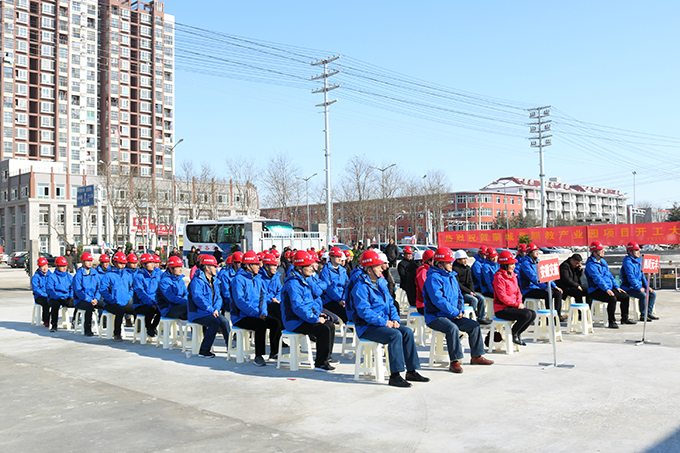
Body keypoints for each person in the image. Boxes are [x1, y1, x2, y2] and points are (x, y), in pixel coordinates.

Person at [352, 250, 429, 388]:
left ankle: (411, 371)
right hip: (367, 327)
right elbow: (364, 312)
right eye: (377, 266)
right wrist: (385, 322)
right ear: (369, 270)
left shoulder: (381, 282)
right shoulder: (360, 286)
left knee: (407, 332)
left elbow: (391, 304)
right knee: (395, 335)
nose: (381, 268)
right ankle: (395, 375)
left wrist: (395, 320)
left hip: (384, 323)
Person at [423, 247, 493, 373]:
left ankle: (476, 356)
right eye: (448, 262)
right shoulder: (433, 278)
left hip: (452, 314)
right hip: (435, 316)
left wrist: (459, 310)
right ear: (440, 264)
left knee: (474, 325)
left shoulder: (452, 276)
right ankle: (454, 361)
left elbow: (459, 295)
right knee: (452, 328)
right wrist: (454, 312)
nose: (451, 264)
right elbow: (439, 300)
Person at [281, 250, 336, 371]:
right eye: (309, 266)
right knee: (324, 329)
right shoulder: (293, 284)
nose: (312, 269)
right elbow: (298, 307)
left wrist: (317, 314)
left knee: (330, 325)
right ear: (300, 268)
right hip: (294, 321)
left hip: (302, 318)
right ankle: (320, 363)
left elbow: (310, 303)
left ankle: (326, 358)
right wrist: (315, 318)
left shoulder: (304, 281)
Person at [231, 250, 282, 365]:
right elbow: (240, 301)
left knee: (275, 323)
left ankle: (274, 352)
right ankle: (259, 356)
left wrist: (263, 312)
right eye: (256, 264)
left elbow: (262, 297)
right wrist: (256, 314)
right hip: (241, 316)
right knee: (261, 325)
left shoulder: (257, 279)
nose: (259, 266)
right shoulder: (238, 280)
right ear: (248, 266)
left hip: (257, 314)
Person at [585, 241, 635, 329]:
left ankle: (624, 318)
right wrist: (607, 289)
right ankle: (611, 321)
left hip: (608, 288)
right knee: (612, 298)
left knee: (625, 296)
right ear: (594, 252)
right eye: (600, 250)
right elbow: (598, 279)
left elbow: (610, 275)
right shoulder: (591, 265)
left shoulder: (603, 261)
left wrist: (616, 287)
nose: (603, 252)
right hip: (596, 290)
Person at [188, 255, 230, 358]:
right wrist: (211, 309)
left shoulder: (215, 280)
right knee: (214, 322)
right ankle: (204, 349)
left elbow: (219, 297)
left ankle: (230, 347)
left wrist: (216, 308)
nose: (216, 269)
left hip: (211, 311)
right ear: (207, 267)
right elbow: (198, 298)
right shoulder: (197, 280)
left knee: (224, 322)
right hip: (198, 312)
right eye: (214, 266)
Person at [493, 251, 536, 346]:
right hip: (502, 308)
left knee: (532, 314)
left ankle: (518, 333)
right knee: (526, 314)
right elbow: (502, 296)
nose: (514, 266)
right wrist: (516, 304)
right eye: (511, 264)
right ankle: (514, 333)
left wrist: (519, 302)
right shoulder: (499, 278)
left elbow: (518, 292)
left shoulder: (513, 276)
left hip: (512, 306)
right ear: (505, 265)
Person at [519, 243, 565, 321]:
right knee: (548, 293)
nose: (537, 253)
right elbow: (534, 278)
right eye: (535, 251)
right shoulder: (525, 264)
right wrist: (545, 288)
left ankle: (557, 315)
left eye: (537, 251)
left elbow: (546, 276)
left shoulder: (538, 262)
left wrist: (555, 286)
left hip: (538, 287)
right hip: (528, 289)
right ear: (530, 253)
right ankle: (549, 316)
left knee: (558, 292)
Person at [99, 252, 136, 341]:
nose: (122, 265)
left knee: (137, 309)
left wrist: (128, 296)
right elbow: (103, 289)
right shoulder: (109, 275)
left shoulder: (128, 275)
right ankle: (117, 334)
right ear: (114, 263)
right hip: (111, 303)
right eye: (120, 263)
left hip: (125, 301)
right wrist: (111, 299)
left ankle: (139, 332)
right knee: (120, 312)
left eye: (124, 263)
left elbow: (132, 288)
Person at [620, 241, 657, 322]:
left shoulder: (638, 261)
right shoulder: (627, 262)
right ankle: (643, 315)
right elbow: (631, 277)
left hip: (637, 286)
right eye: (636, 250)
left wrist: (647, 287)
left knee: (652, 294)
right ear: (630, 252)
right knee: (643, 295)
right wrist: (638, 288)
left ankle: (648, 313)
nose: (638, 252)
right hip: (628, 288)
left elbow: (642, 276)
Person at [452, 250, 489, 324]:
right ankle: (471, 319)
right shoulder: (455, 269)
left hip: (469, 291)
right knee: (474, 300)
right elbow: (458, 285)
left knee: (481, 298)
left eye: (466, 259)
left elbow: (470, 281)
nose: (466, 260)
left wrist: (472, 291)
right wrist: (469, 292)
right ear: (458, 260)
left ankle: (481, 317)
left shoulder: (467, 268)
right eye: (463, 259)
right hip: (461, 293)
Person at [132, 253, 161, 338]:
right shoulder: (138, 276)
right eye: (150, 263)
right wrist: (150, 303)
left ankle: (153, 326)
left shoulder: (156, 275)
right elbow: (140, 293)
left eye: (153, 262)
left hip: (154, 302)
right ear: (144, 265)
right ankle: (148, 327)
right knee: (150, 310)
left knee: (162, 309)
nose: (153, 264)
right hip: (141, 304)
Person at [72, 252, 100, 337]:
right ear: (83, 262)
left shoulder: (95, 273)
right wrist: (89, 299)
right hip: (81, 300)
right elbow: (78, 291)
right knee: (89, 306)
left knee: (108, 304)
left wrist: (96, 299)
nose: (90, 263)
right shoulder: (78, 275)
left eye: (91, 261)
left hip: (93, 299)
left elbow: (98, 288)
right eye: (87, 261)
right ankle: (87, 328)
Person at [319, 246, 349, 323]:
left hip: (342, 299)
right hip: (329, 300)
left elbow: (347, 285)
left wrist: (344, 299)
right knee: (344, 312)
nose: (340, 258)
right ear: (331, 258)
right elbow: (328, 288)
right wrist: (338, 300)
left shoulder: (343, 270)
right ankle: (355, 331)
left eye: (340, 257)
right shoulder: (326, 271)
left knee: (353, 310)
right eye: (337, 257)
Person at [46, 256, 74, 332]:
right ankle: (54, 325)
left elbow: (73, 288)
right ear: (57, 267)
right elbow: (50, 289)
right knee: (55, 305)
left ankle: (74, 321)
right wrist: (57, 297)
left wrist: (71, 297)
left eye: (65, 266)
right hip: (55, 298)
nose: (64, 268)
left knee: (78, 302)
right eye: (62, 266)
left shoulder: (69, 277)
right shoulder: (52, 277)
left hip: (66, 297)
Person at [259, 253, 283, 322]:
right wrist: (271, 299)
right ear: (266, 267)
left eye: (276, 265)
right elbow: (261, 294)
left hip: (276, 302)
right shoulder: (259, 278)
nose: (276, 267)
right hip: (265, 305)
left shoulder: (276, 276)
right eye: (273, 265)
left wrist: (277, 299)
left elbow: (280, 290)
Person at [31, 257, 51, 327]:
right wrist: (44, 294)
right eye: (42, 266)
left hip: (49, 295)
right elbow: (36, 289)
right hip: (39, 297)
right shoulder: (36, 277)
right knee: (46, 302)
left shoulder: (50, 275)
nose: (45, 268)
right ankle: (46, 320)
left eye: (46, 266)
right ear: (39, 267)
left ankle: (53, 319)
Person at [415, 249, 435, 314]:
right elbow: (425, 290)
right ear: (429, 261)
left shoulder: (432, 271)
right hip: (423, 305)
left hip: (430, 303)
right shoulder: (423, 272)